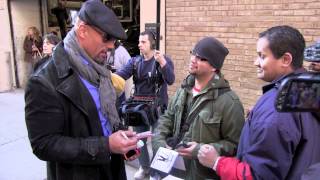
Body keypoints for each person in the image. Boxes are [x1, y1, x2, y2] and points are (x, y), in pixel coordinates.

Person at [25, 1, 140, 180]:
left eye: (114, 41)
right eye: (107, 38)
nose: (111, 46)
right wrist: (106, 145)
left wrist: (122, 136)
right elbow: (44, 144)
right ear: (83, 30)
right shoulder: (44, 81)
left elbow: (105, 118)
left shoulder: (101, 70)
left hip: (112, 169)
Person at [197, 25, 320, 180]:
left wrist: (216, 162)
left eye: (262, 56)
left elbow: (258, 176)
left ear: (285, 59)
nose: (256, 62)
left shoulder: (276, 107)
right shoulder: (308, 91)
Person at [152, 37, 245, 180]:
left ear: (214, 67)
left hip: (200, 175)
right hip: (171, 171)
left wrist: (200, 150)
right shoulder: (182, 90)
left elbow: (235, 144)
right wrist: (159, 141)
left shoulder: (230, 102)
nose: (193, 59)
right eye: (193, 54)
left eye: (201, 58)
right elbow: (167, 118)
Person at [116, 30, 175, 179]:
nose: (139, 45)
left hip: (158, 109)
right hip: (139, 109)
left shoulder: (163, 59)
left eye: (143, 42)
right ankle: (145, 168)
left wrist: (163, 63)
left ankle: (157, 172)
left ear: (152, 44)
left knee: (157, 142)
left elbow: (171, 79)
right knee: (138, 141)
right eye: (139, 42)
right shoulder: (135, 62)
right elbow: (120, 76)